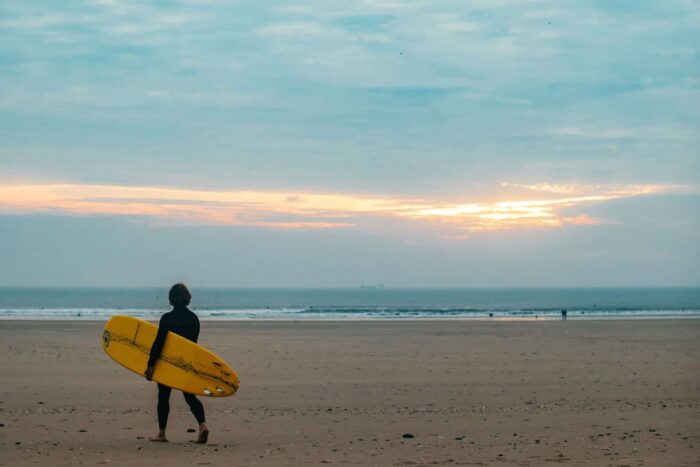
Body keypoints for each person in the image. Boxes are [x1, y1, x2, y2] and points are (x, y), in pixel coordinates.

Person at [145, 283, 209, 443]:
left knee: (164, 396)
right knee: (190, 396)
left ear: (172, 300)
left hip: (168, 363)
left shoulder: (167, 319)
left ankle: (162, 433)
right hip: (186, 363)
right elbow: (193, 345)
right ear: (187, 298)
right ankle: (202, 426)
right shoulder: (194, 319)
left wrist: (150, 365)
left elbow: (158, 343)